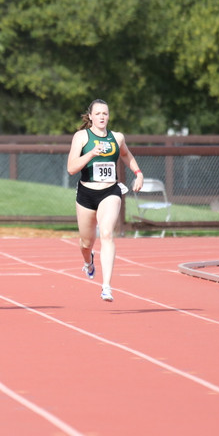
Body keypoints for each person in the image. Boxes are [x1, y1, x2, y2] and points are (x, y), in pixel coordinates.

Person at [66, 99, 144, 302]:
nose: (102, 117)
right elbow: (71, 168)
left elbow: (127, 156)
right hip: (86, 193)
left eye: (105, 114)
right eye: (98, 113)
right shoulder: (81, 137)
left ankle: (106, 286)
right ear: (90, 116)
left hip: (110, 191)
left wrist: (138, 173)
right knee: (86, 242)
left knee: (107, 233)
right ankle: (88, 262)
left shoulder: (116, 138)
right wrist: (91, 153)